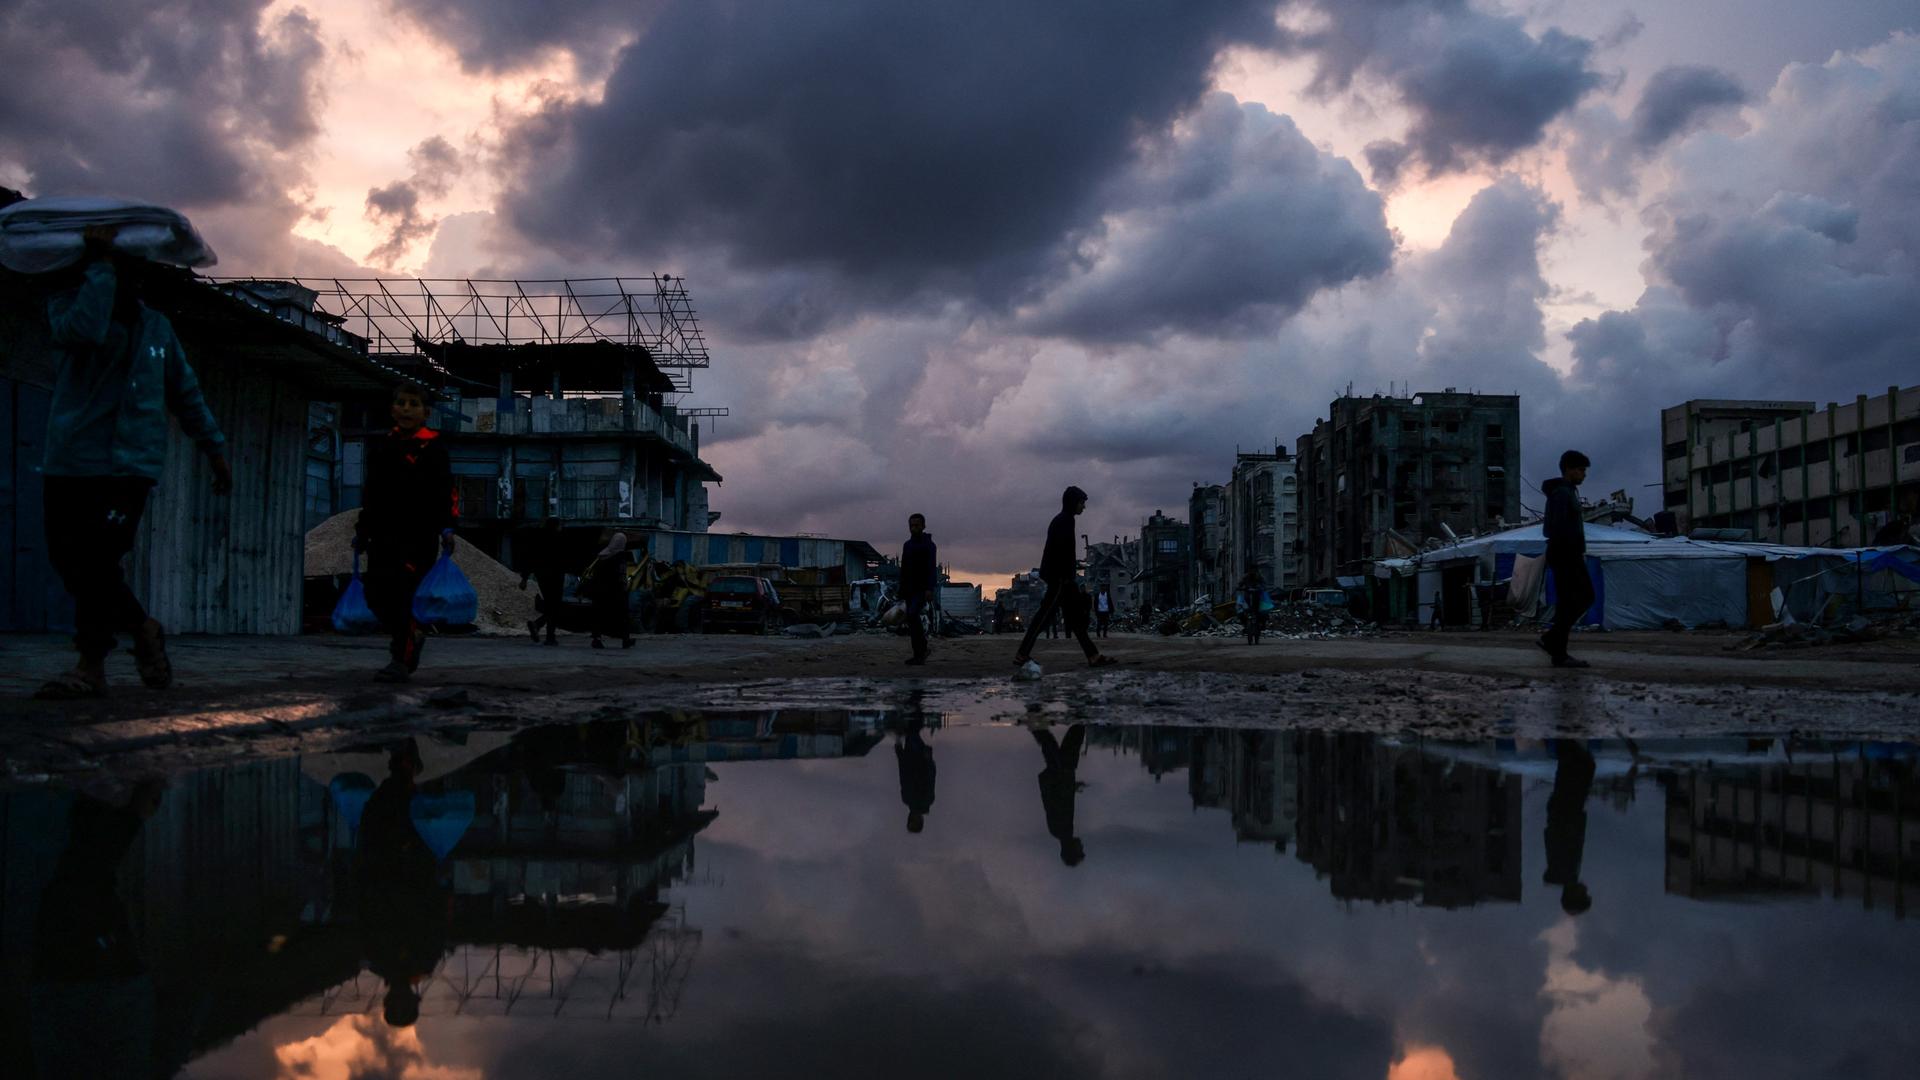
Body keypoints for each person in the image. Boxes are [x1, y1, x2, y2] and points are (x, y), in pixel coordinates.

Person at [34, 225, 233, 700]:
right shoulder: (69, 307)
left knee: (98, 560)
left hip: (129, 469)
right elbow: (83, 333)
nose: (135, 283)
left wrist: (214, 449)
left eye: (137, 273)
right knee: (71, 562)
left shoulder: (156, 329)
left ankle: (90, 665)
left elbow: (185, 392)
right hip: (70, 460)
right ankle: (142, 628)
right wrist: (100, 265)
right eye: (125, 271)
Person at [353, 384, 458, 683]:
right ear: (392, 409)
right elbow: (371, 494)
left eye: (414, 404)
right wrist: (363, 530)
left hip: (418, 537)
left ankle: (401, 658)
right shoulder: (383, 447)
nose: (407, 409)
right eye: (401, 403)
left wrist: (448, 527)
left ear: (426, 412)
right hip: (382, 535)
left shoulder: (434, 448)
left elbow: (446, 491)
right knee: (376, 593)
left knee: (404, 596)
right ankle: (409, 638)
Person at [355, 739, 448, 1028]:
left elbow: (365, 913)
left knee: (394, 808)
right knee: (395, 807)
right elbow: (436, 918)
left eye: (394, 1003)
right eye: (401, 1003)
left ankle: (401, 761)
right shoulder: (383, 960)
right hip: (400, 871)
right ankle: (400, 761)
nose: (397, 998)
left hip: (394, 871)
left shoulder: (405, 960)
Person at [1014, 486, 1113, 668]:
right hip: (1060, 579)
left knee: (1074, 620)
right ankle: (1022, 654)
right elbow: (1060, 552)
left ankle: (1093, 655)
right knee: (1043, 617)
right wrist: (1066, 574)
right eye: (1082, 503)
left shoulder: (1063, 520)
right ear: (1074, 503)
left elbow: (1059, 551)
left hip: (1064, 579)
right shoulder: (1064, 521)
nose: (1083, 507)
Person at [1539, 450, 1595, 668]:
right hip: (1565, 553)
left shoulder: (1567, 492)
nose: (1584, 475)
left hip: (1564, 552)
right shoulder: (1562, 494)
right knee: (1585, 596)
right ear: (1569, 469)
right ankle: (1553, 640)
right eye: (1581, 470)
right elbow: (1558, 527)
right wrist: (1571, 551)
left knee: (1568, 602)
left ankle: (1557, 650)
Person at [1543, 740, 1597, 915]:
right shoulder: (1566, 871)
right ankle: (1568, 745)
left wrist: (1572, 819)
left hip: (1566, 812)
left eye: (1584, 894)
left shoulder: (1564, 869)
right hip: (1566, 812)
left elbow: (1561, 837)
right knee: (1578, 769)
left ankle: (1568, 744)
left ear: (1574, 894)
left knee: (1582, 768)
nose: (1586, 889)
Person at [1033, 723, 1088, 866]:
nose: (1082, 846)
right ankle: (1034, 718)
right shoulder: (1060, 831)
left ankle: (1034, 718)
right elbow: (1059, 800)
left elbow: (1056, 800)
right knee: (1050, 742)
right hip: (1061, 773)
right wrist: (1072, 787)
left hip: (1061, 772)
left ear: (1071, 849)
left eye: (1079, 850)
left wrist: (1066, 781)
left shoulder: (1062, 830)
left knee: (1052, 741)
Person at [519, 516, 568, 646]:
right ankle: (545, 632)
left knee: (550, 605)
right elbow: (564, 559)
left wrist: (524, 578)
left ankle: (542, 629)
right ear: (556, 526)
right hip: (556, 577)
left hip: (542, 576)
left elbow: (530, 558)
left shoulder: (539, 540)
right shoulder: (558, 540)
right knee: (554, 606)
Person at [582, 532, 635, 649]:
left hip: (599, 591)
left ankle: (597, 639)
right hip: (615, 591)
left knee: (599, 615)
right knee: (623, 615)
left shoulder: (603, 555)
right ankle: (625, 640)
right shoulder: (620, 557)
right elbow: (621, 575)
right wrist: (624, 587)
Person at [900, 513, 937, 665]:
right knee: (911, 618)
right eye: (911, 525)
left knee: (913, 614)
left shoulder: (929, 545)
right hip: (909, 588)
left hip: (922, 589)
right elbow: (904, 568)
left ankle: (922, 650)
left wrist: (929, 588)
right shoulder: (907, 545)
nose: (913, 528)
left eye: (917, 525)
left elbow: (931, 567)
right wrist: (901, 588)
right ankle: (919, 653)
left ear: (923, 526)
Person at [895, 711, 936, 833]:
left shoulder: (909, 799)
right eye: (914, 821)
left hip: (913, 757)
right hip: (918, 758)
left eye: (910, 821)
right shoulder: (921, 799)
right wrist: (928, 761)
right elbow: (930, 778)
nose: (912, 818)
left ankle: (915, 704)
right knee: (913, 727)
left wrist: (899, 752)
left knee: (912, 727)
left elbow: (903, 775)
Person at [1238, 570, 1267, 645]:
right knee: (1240, 612)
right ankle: (1244, 625)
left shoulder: (1259, 576)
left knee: (1263, 612)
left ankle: (1262, 625)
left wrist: (1261, 588)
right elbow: (1240, 584)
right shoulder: (1245, 577)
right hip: (1247, 598)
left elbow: (1264, 584)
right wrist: (1240, 587)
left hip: (1257, 598)